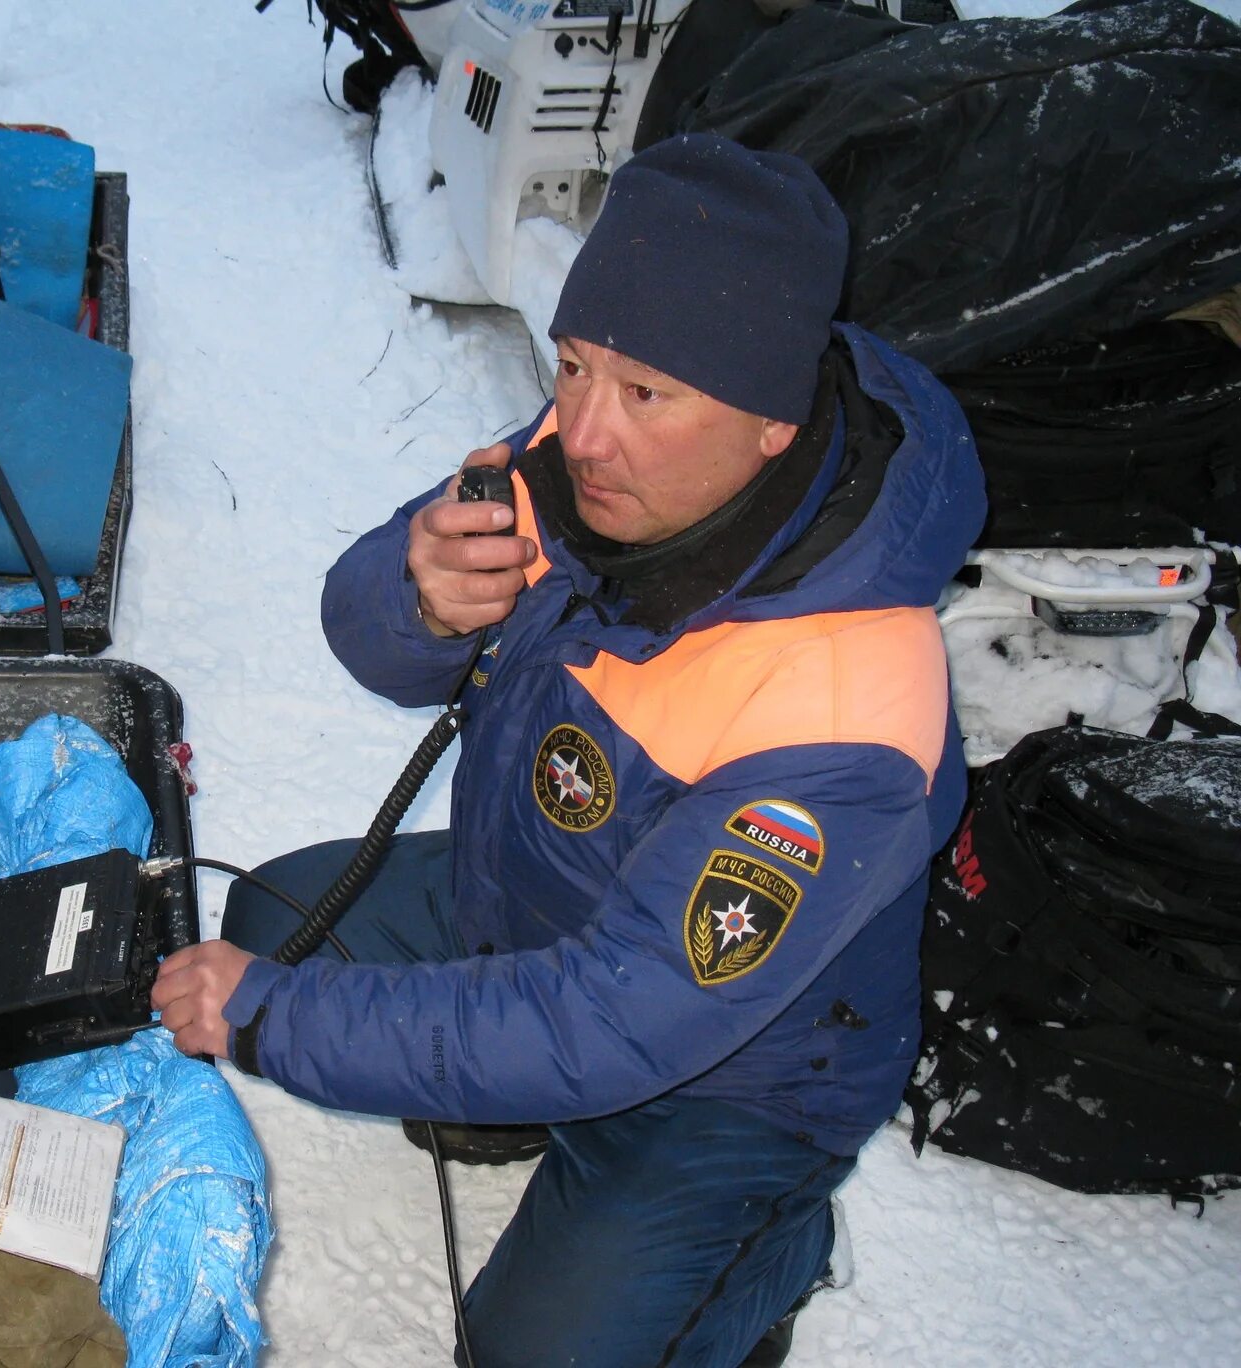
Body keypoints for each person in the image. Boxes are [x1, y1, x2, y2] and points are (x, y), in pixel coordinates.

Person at [152, 133, 986, 1367]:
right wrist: (419, 593)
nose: (582, 431)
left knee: (530, 1351)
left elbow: (614, 1020)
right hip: (532, 892)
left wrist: (278, 1023)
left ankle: (767, 1245)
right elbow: (372, 641)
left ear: (770, 421)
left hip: (730, 1069)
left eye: (642, 394)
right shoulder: (593, 461)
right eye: (574, 365)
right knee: (282, 922)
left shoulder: (844, 707)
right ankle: (504, 1105)